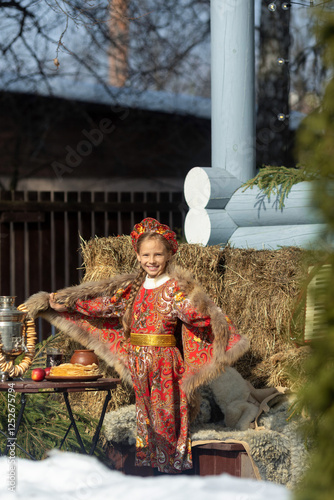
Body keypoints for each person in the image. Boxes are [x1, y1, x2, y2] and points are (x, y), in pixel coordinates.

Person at [25, 218, 249, 474]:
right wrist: (68, 303)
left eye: (157, 254)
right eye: (146, 255)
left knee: (167, 416)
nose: (151, 260)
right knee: (147, 419)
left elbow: (195, 313)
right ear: (137, 255)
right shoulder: (134, 289)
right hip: (138, 362)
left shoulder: (175, 288)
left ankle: (174, 473)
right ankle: (152, 472)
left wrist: (216, 319)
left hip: (165, 363)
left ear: (168, 255)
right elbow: (102, 306)